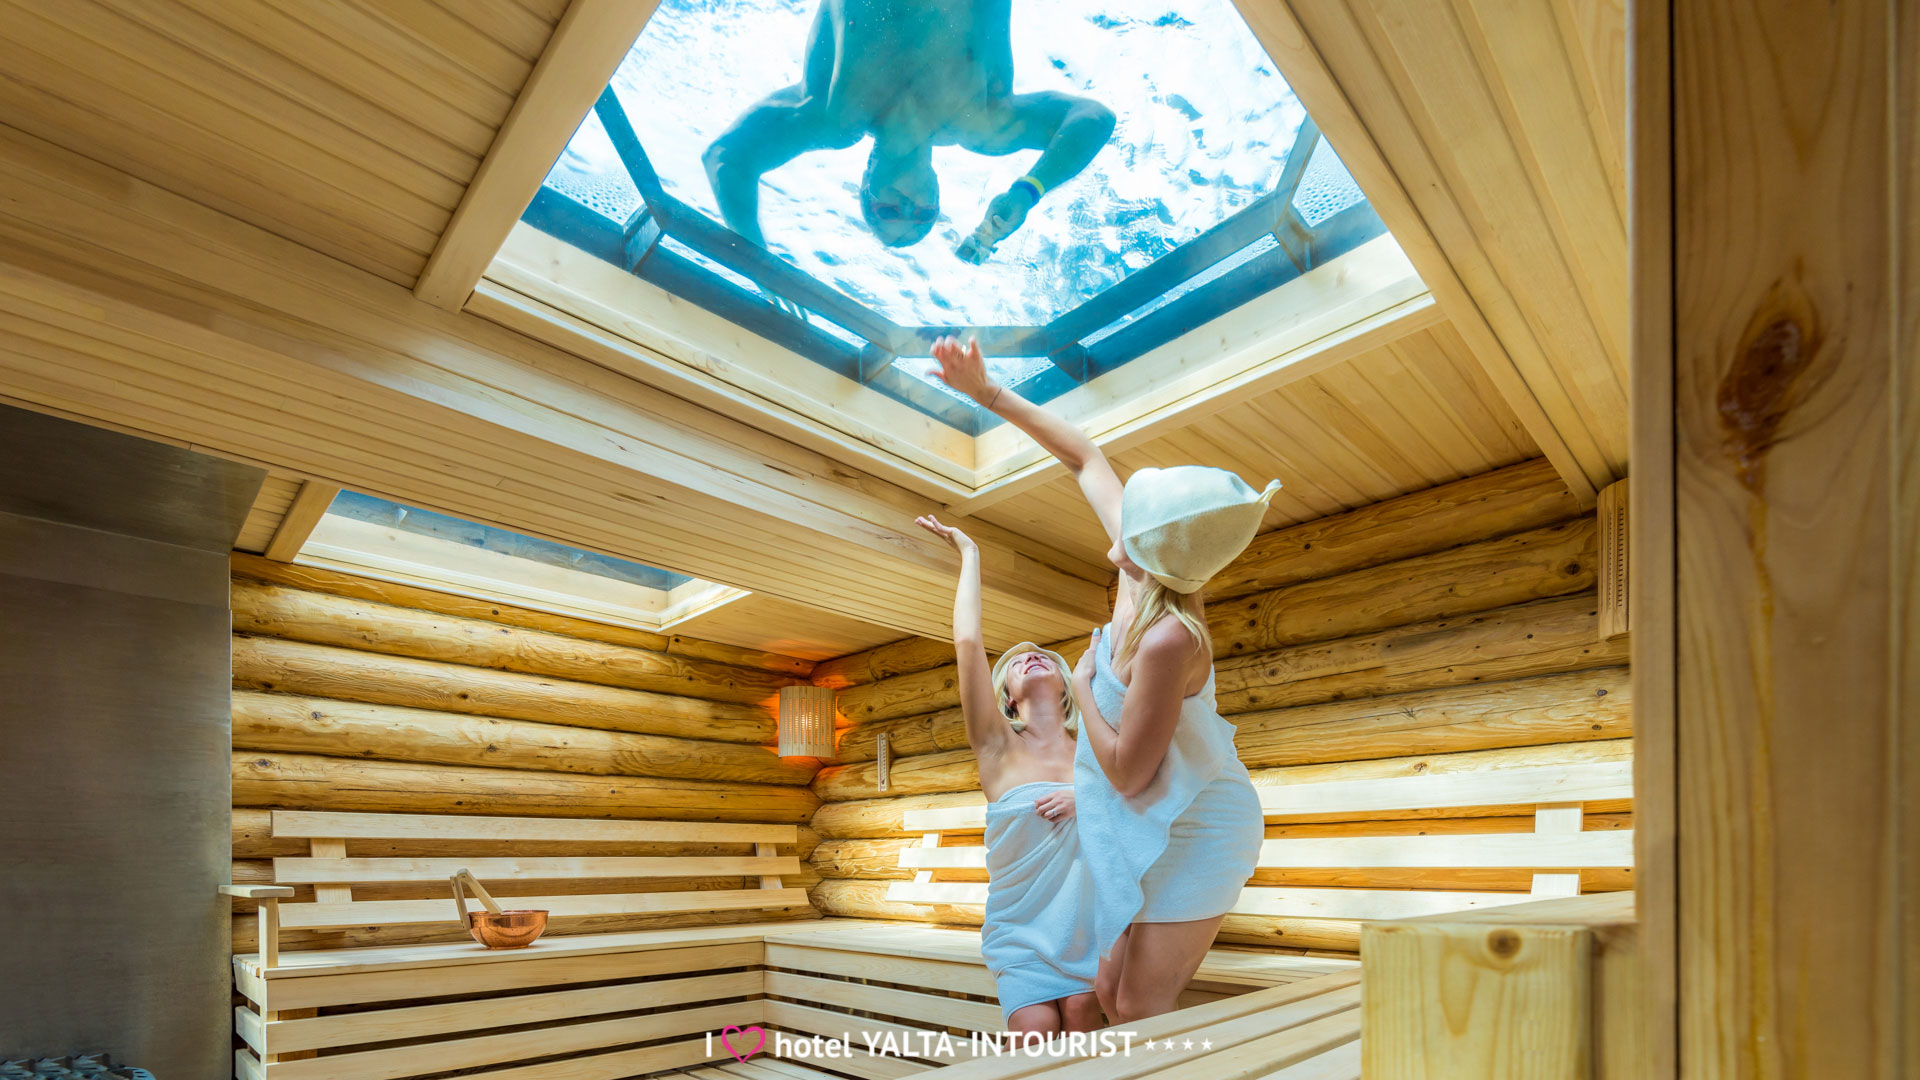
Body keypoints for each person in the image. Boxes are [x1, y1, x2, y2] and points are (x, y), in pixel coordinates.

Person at [928, 335, 1277, 1023]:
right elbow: (1084, 458)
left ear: (1152, 553)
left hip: (1195, 823)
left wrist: (1084, 684)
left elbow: (1125, 774)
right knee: (1110, 991)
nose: (1116, 528)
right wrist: (987, 393)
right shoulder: (1150, 570)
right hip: (1147, 817)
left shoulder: (1167, 636)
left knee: (1137, 1002)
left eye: (1131, 527)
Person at [703, 0, 1115, 264]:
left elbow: (727, 158)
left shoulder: (833, 115)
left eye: (888, 212)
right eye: (923, 215)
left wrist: (763, 270)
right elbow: (1093, 116)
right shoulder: (981, 124)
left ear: (865, 182)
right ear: (936, 193)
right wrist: (1027, 192)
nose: (909, 206)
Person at [913, 512, 1102, 1035]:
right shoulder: (997, 746)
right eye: (1018, 661)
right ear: (1008, 699)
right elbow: (968, 643)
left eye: (1044, 656)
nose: (1032, 657)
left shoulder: (1096, 751)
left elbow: (1139, 803)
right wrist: (969, 553)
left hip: (1088, 927)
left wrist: (1089, 799)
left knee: (1083, 1013)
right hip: (1022, 928)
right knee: (1035, 1027)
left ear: (1067, 686)